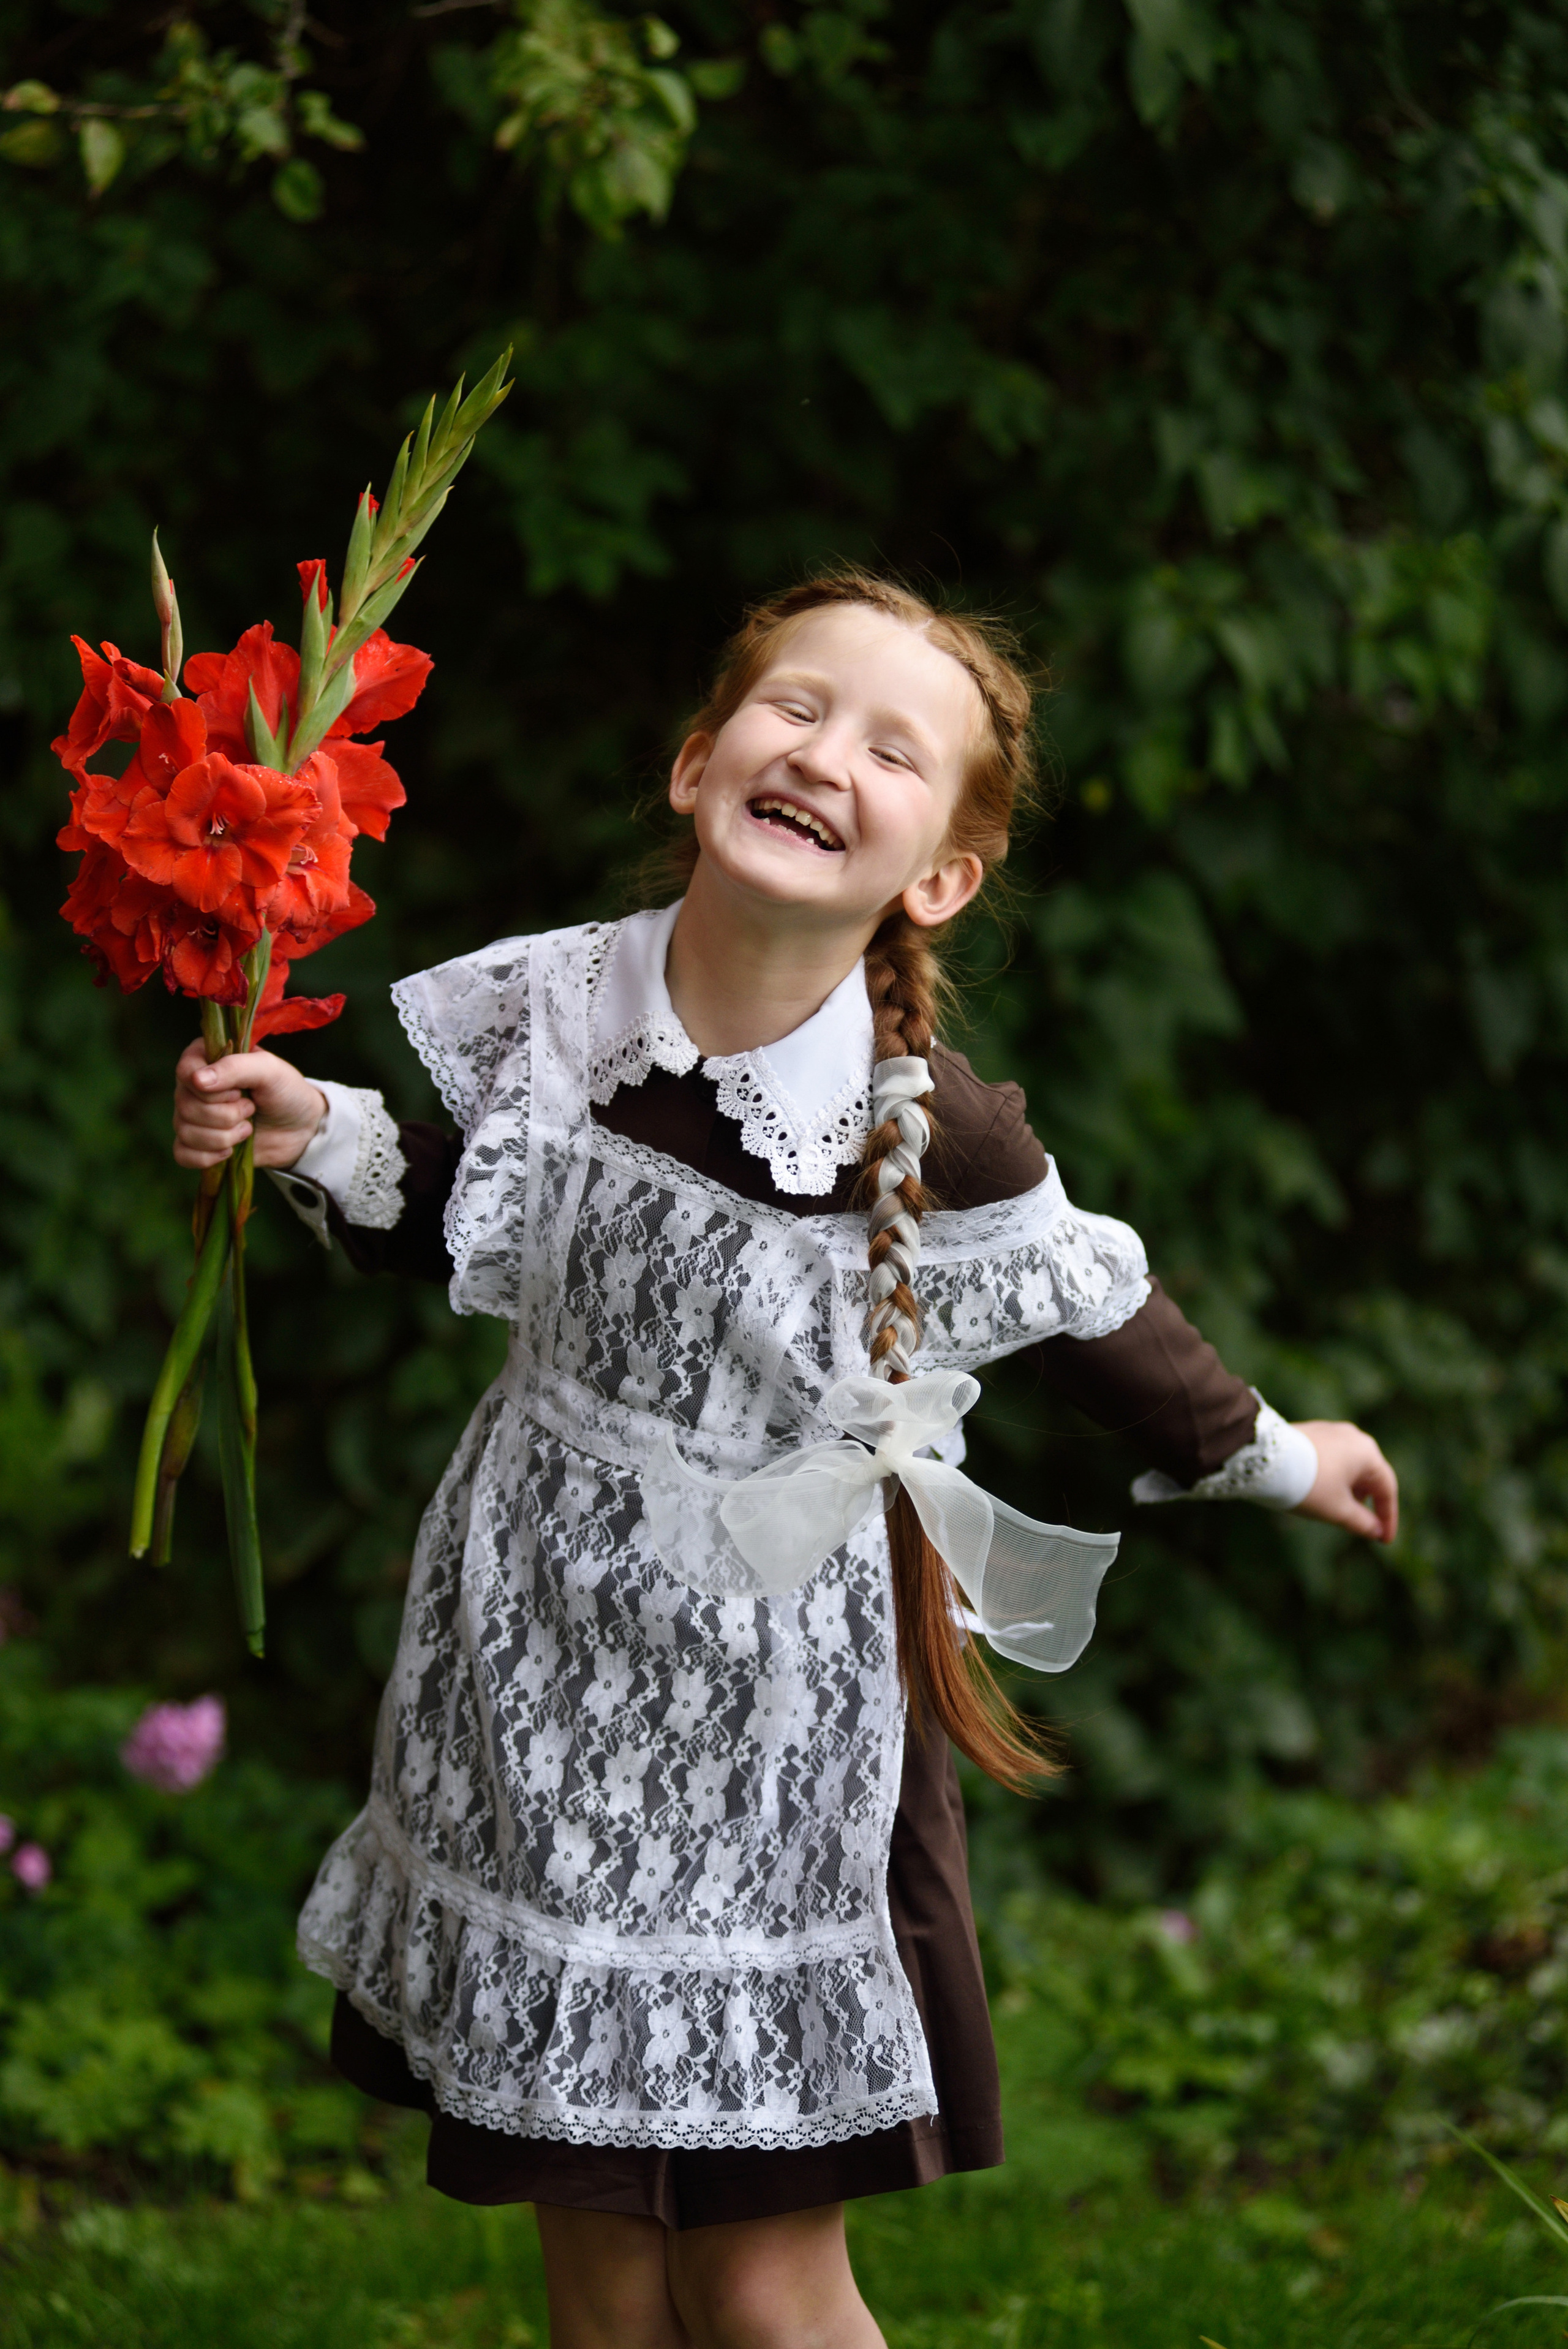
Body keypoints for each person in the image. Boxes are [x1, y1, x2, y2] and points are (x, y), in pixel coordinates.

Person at [172, 573, 1397, 2349]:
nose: (826, 753)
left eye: (892, 749)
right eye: (795, 708)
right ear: (697, 764)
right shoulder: (573, 1008)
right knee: (592, 2243)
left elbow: (1093, 1331)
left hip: (771, 1732)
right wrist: (311, 1130)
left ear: (940, 873)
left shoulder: (919, 1128)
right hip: (532, 1669)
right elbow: (476, 1216)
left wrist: (1286, 1456)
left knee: (758, 2273)